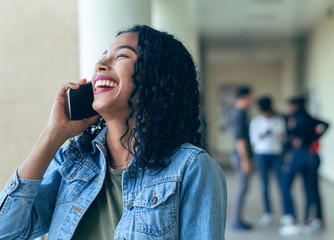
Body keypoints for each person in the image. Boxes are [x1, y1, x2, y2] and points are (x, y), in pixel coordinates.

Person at [0, 25, 227, 240]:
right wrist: (53, 134)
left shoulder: (191, 167)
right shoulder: (73, 160)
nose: (100, 65)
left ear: (157, 77)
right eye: (102, 57)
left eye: (121, 56)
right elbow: (6, 231)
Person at [279, 96, 325, 236]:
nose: (287, 109)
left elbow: (292, 139)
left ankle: (293, 218)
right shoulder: (308, 117)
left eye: (289, 106)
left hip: (300, 157)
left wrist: (297, 138)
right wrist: (313, 139)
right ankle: (312, 219)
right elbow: (326, 124)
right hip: (310, 156)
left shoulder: (296, 119)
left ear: (295, 106)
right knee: (310, 188)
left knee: (286, 184)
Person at [249, 96, 286, 225]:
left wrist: (278, 135)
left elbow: (283, 139)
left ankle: (285, 213)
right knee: (264, 184)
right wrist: (262, 135)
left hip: (276, 153)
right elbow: (253, 140)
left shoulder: (279, 120)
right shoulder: (256, 122)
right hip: (261, 154)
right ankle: (268, 212)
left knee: (281, 184)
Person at [229, 86, 253, 230]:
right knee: (243, 187)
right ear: (244, 97)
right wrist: (245, 160)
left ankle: (238, 219)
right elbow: (240, 140)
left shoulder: (242, 113)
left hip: (241, 156)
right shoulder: (239, 115)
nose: (252, 100)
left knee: (244, 187)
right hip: (240, 156)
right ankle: (236, 221)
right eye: (250, 97)